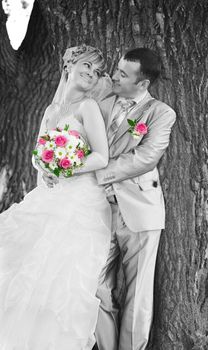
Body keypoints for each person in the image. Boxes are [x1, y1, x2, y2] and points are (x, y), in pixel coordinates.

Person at [0, 45, 112, 350]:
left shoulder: (87, 108)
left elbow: (101, 157)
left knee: (63, 277)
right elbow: (38, 152)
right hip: (51, 196)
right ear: (69, 66)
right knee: (27, 265)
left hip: (81, 200)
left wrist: (66, 167)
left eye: (97, 71)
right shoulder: (52, 109)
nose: (92, 74)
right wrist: (45, 167)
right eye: (87, 66)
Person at [95, 48, 176, 350]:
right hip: (96, 211)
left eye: (123, 74)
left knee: (138, 292)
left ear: (142, 83)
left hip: (140, 211)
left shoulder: (161, 112)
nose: (115, 76)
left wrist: (95, 173)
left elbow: (145, 157)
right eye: (117, 69)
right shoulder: (101, 104)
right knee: (94, 285)